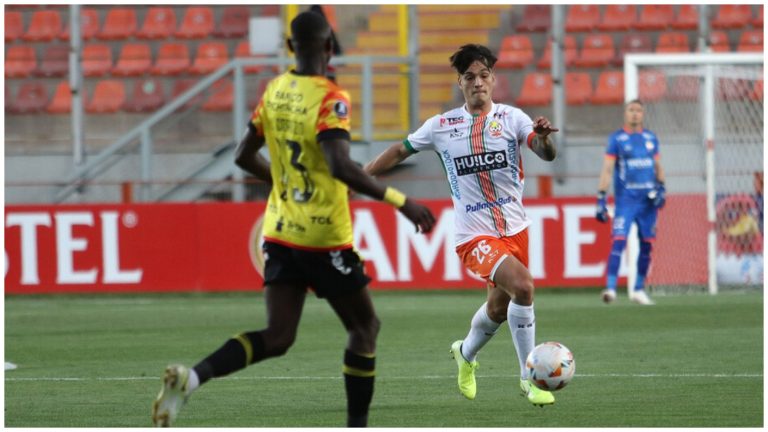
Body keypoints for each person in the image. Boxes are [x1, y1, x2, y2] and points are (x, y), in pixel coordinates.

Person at [150, 11, 436, 428]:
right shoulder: (330, 97)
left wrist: (283, 181)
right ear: (330, 48)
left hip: (280, 231)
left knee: (279, 336)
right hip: (322, 236)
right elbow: (340, 165)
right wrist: (400, 200)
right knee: (364, 327)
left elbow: (242, 156)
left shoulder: (275, 91)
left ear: (290, 48)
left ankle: (192, 378)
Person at [364, 44, 558, 406]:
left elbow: (544, 152)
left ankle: (465, 354)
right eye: (470, 77)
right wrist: (360, 176)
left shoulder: (513, 118)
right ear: (460, 83)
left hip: (515, 230)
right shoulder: (441, 126)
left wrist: (544, 139)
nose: (478, 83)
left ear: (493, 79)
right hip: (473, 235)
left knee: (498, 310)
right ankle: (530, 378)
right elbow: (401, 150)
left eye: (484, 75)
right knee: (524, 287)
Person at [595, 99, 665, 306]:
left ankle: (639, 290)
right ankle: (610, 288)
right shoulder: (617, 139)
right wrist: (601, 196)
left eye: (638, 110)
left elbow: (658, 166)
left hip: (648, 202)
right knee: (619, 240)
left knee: (647, 245)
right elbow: (608, 169)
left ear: (643, 114)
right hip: (626, 200)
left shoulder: (651, 138)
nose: (635, 113)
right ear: (625, 113)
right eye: (631, 110)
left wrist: (662, 188)